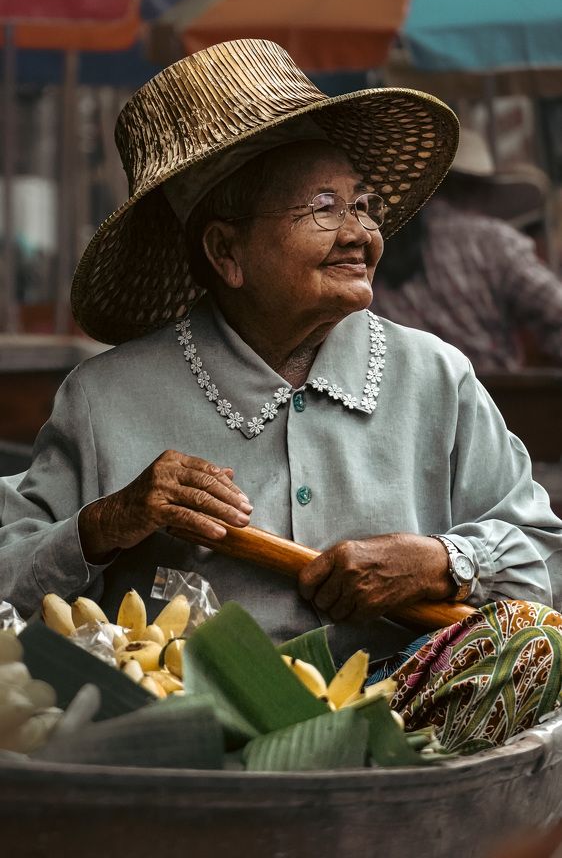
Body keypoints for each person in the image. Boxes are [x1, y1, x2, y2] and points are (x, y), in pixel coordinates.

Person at [0, 38, 561, 753]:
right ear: (227, 253)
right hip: (181, 739)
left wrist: (443, 561)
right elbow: (6, 574)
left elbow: (548, 556)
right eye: (324, 208)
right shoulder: (103, 397)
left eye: (364, 204)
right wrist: (106, 523)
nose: (361, 233)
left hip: (406, 738)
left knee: (535, 639)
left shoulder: (434, 376)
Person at [372, 128, 562, 372]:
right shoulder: (492, 242)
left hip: (404, 399)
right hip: (492, 399)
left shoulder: (377, 244)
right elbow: (556, 310)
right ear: (474, 188)